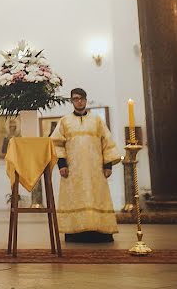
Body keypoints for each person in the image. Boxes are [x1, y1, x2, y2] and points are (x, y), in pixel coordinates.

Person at [50, 87, 121, 243]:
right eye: (75, 98)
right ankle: (75, 232)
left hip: (95, 170)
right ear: (71, 101)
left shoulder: (97, 121)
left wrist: (108, 165)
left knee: (97, 197)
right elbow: (56, 144)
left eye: (81, 98)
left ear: (86, 100)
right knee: (76, 198)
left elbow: (106, 142)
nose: (79, 101)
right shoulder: (65, 121)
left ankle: (101, 232)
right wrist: (62, 164)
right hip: (73, 171)